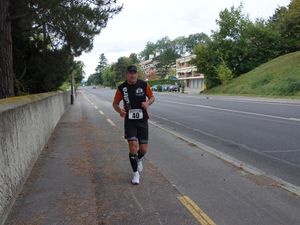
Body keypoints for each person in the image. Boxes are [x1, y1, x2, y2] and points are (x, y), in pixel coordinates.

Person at [113, 65, 155, 185]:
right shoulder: (122, 88)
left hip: (143, 120)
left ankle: (139, 158)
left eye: (134, 73)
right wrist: (120, 111)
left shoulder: (143, 84)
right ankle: (135, 173)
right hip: (130, 121)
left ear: (137, 74)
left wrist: (147, 103)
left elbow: (152, 97)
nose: (133, 75)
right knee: (132, 146)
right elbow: (115, 103)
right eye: (130, 73)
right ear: (127, 74)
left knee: (143, 149)